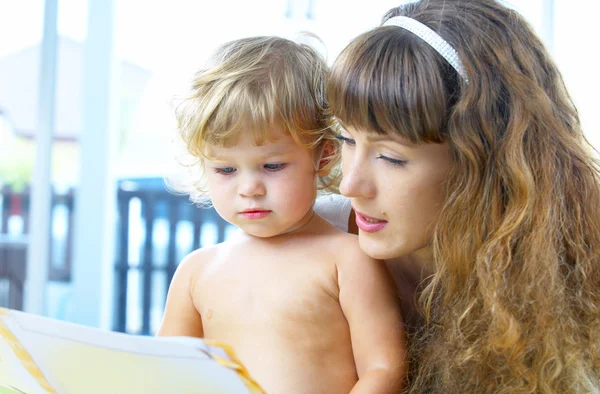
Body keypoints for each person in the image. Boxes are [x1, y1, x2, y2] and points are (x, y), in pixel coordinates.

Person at [321, 0, 600, 392]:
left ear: (481, 162)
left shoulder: (574, 288)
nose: (350, 185)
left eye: (390, 157)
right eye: (346, 138)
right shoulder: (315, 237)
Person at [157, 36, 406, 394]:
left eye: (271, 165)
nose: (249, 188)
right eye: (226, 170)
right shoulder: (197, 271)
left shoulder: (348, 259)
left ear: (323, 156)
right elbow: (165, 371)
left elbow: (385, 367)